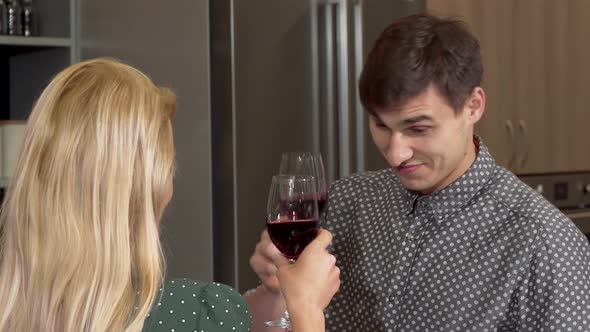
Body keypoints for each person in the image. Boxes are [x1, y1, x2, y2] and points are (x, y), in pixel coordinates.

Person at [250, 13, 590, 331]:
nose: (396, 153)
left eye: (418, 128)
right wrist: (276, 292)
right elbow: (280, 319)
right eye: (380, 125)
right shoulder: (344, 202)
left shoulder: (546, 245)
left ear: (473, 106)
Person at [0, 58, 340, 332]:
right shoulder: (195, 312)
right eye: (168, 167)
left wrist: (272, 295)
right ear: (139, 191)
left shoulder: (14, 310)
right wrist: (307, 310)